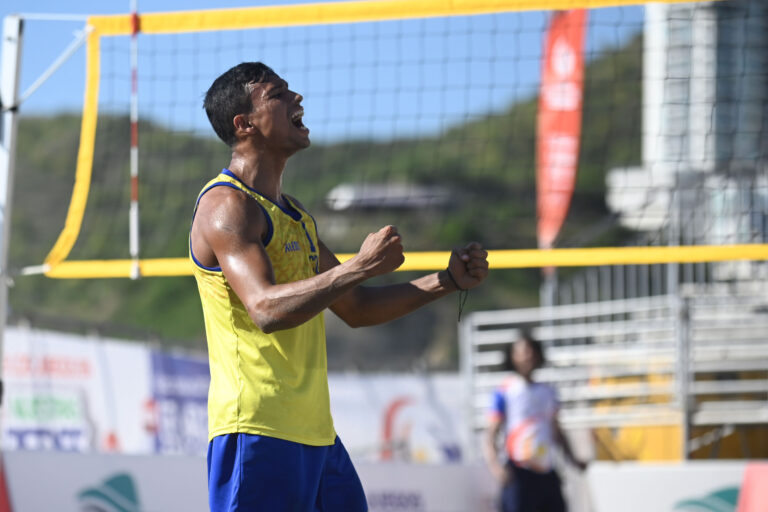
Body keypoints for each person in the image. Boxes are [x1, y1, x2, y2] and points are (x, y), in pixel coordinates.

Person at [190, 62, 489, 512]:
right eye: (279, 94)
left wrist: (446, 281)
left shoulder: (293, 214)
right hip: (256, 429)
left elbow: (357, 307)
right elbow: (266, 309)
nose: (297, 99)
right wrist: (357, 266)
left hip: (316, 435)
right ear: (244, 123)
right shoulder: (226, 206)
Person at [482, 332, 587, 512]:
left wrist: (573, 459)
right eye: (521, 352)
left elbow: (557, 431)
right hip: (519, 470)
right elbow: (492, 433)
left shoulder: (548, 392)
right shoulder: (505, 390)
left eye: (530, 351)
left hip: (546, 471)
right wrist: (496, 466)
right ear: (512, 357)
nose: (527, 356)